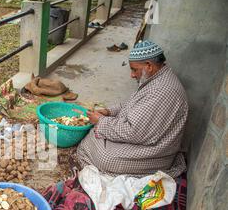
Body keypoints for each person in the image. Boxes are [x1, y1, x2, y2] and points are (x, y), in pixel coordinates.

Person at [74, 40, 188, 178]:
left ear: (149, 66)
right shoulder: (155, 79)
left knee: (105, 158)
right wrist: (109, 112)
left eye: (134, 69)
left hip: (154, 152)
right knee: (96, 134)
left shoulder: (162, 91)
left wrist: (101, 122)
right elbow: (129, 104)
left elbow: (134, 132)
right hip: (142, 138)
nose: (132, 75)